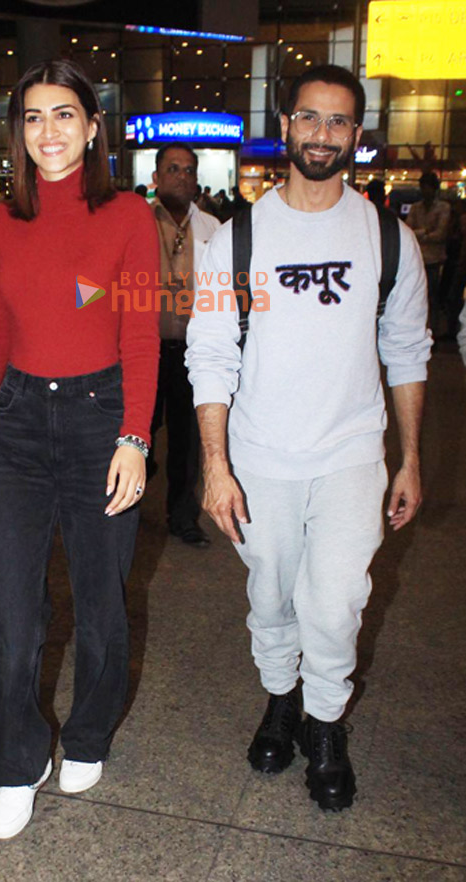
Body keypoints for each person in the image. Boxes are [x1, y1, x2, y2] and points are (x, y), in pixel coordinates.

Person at [186, 64, 431, 811]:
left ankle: (324, 725)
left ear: (355, 137)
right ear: (285, 126)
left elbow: (406, 349)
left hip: (352, 453)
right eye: (308, 118)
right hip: (259, 455)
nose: (320, 134)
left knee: (332, 604)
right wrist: (215, 466)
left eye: (336, 122)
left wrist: (410, 458)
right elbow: (211, 353)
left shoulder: (388, 239)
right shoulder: (238, 239)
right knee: (269, 597)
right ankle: (279, 700)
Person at [0, 59, 160, 840]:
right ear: (19, 132)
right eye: (34, 117)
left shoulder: (128, 216)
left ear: (93, 124)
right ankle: (17, 759)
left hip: (98, 417)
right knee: (6, 608)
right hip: (15, 424)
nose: (49, 131)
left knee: (102, 607)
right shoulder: (0, 223)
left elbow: (139, 331)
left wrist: (134, 438)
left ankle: (86, 734)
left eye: (64, 114)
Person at [149, 143, 219, 547]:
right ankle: (131, 494)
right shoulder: (137, 220)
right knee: (140, 431)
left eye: (189, 170)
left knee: (187, 440)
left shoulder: (213, 228)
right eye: (173, 169)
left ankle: (182, 517)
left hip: (193, 352)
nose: (182, 176)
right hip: (145, 349)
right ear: (157, 177)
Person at [406, 172, 450, 335]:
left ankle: (433, 331)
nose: (425, 190)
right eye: (423, 187)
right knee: (415, 298)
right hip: (418, 259)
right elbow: (408, 230)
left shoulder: (443, 207)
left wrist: (420, 233)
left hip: (434, 259)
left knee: (432, 298)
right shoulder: (416, 207)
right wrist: (427, 232)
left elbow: (441, 234)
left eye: (428, 187)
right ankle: (418, 330)